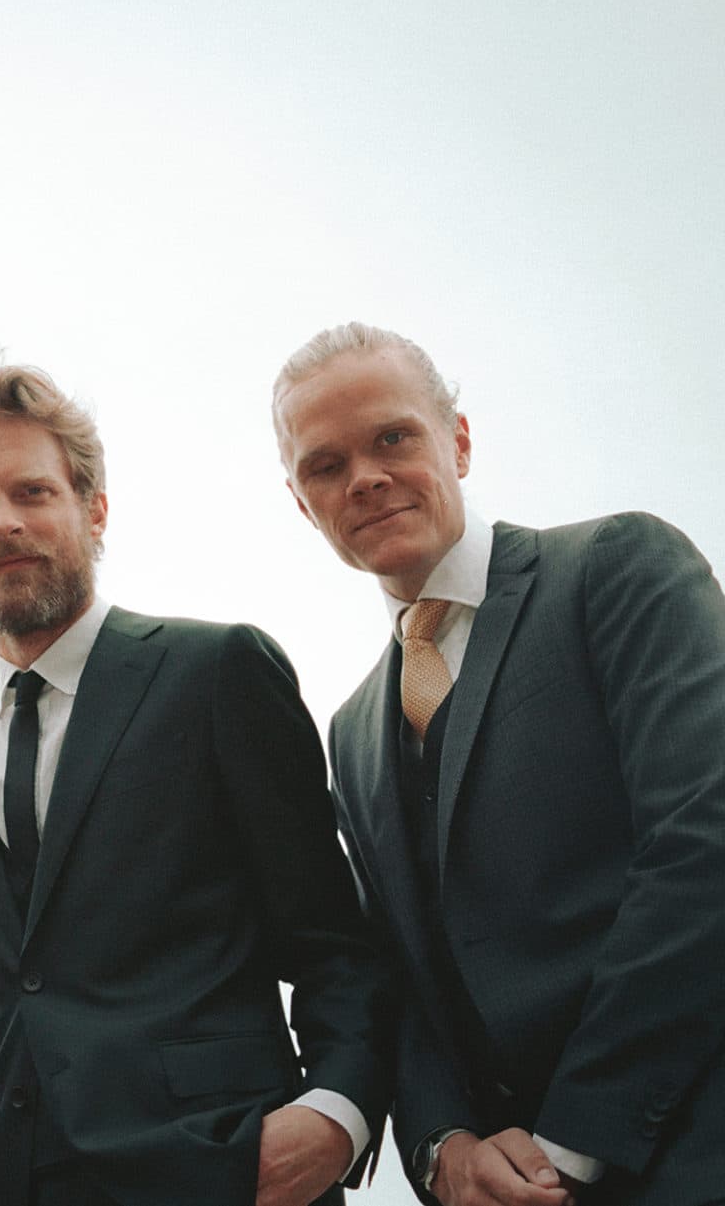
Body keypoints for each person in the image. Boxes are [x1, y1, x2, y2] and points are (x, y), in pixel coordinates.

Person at [0, 364, 391, 1206]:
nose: (3, 523)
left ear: (93, 508)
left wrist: (334, 1114)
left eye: (32, 491)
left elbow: (333, 941)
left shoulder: (216, 673)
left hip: (227, 1171)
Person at [274, 323, 725, 1205]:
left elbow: (704, 843)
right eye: (325, 465)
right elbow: (400, 970)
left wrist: (572, 1140)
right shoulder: (354, 729)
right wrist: (444, 1146)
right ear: (301, 502)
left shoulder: (614, 569)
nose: (365, 475)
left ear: (461, 441)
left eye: (393, 437)